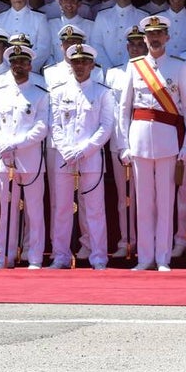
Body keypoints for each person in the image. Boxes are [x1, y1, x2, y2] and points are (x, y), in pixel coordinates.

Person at [115, 15, 186, 271]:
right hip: (138, 139)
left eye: (159, 35)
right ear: (144, 39)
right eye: (150, 36)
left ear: (167, 38)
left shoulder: (179, 67)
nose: (155, 39)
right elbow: (124, 108)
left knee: (165, 201)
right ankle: (144, 257)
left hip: (169, 141)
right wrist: (123, 144)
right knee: (143, 202)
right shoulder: (135, 66)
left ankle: (163, 257)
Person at [49, 44, 115, 270]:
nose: (79, 66)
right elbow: (55, 125)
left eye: (84, 62)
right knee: (62, 209)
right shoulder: (58, 91)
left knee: (94, 209)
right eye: (75, 62)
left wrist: (85, 149)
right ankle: (61, 256)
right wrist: (67, 150)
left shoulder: (103, 92)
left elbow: (106, 127)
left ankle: (98, 256)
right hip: (64, 157)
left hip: (91, 158)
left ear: (92, 65)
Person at [0, 44, 50, 270]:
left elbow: (41, 127)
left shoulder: (39, 94)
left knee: (34, 210)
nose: (18, 66)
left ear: (30, 65)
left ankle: (34, 256)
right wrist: (3, 144)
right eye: (14, 62)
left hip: (30, 159)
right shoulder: (1, 93)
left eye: (22, 62)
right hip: (5, 159)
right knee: (7, 210)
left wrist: (16, 143)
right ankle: (5, 255)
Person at [0, 0, 52, 73]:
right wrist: (4, 68)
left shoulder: (39, 18)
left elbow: (43, 49)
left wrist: (25, 68)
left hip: (30, 73)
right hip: (4, 73)